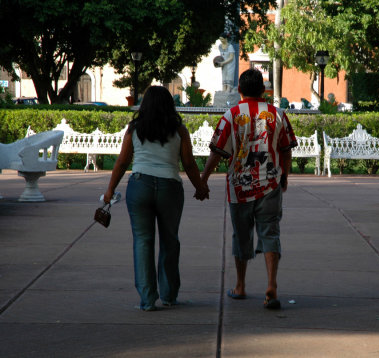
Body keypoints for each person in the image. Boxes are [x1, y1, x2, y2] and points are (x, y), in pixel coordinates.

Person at [103, 86, 209, 311]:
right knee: (170, 240)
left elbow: (122, 162)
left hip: (139, 185)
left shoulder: (135, 128)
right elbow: (189, 163)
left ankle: (147, 299)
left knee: (143, 241)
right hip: (170, 187)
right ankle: (169, 294)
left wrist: (110, 190)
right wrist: (200, 188)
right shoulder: (179, 130)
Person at [201, 69, 297, 309]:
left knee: (241, 235)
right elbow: (286, 150)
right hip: (271, 184)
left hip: (239, 187)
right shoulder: (277, 115)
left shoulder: (231, 115)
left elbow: (217, 151)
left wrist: (202, 180)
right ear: (264, 91)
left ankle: (241, 285)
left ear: (240, 90)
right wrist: (284, 176)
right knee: (270, 233)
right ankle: (272, 285)